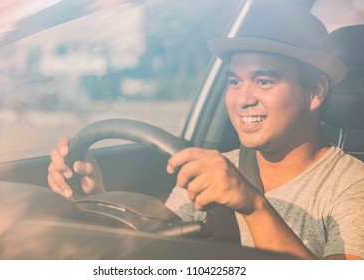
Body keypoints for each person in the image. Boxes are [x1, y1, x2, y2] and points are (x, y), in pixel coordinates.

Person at [47, 6, 364, 260]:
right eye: (234, 81)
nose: (242, 98)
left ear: (315, 91)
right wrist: (97, 199)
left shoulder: (352, 186)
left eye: (264, 80)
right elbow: (157, 253)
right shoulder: (214, 169)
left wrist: (253, 205)